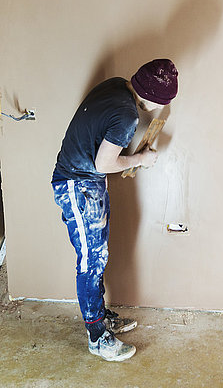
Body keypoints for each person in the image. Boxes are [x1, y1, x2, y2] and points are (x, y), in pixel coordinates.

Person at [51, 59, 178, 361]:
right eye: (162, 103)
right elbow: (104, 164)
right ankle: (97, 336)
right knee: (91, 259)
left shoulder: (117, 86)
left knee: (99, 254)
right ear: (151, 97)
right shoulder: (126, 114)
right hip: (77, 184)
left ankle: (100, 315)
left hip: (86, 181)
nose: (160, 108)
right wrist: (140, 160)